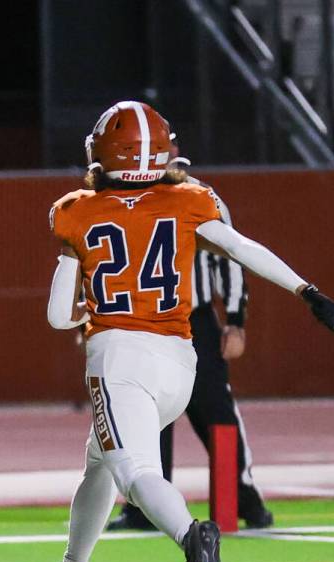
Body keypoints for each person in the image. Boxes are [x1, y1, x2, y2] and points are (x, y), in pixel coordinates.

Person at [31, 101, 334, 562]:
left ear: (105, 152)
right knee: (100, 465)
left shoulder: (74, 211)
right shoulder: (190, 199)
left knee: (133, 472)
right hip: (179, 362)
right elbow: (243, 248)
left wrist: (91, 304)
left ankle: (190, 535)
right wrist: (306, 290)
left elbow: (59, 316)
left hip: (120, 360)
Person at [108, 160, 273, 531]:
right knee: (144, 417)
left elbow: (232, 256)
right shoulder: (115, 195)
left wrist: (235, 322)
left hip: (192, 319)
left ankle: (243, 499)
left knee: (214, 410)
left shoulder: (197, 196)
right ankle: (145, 507)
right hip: (138, 321)